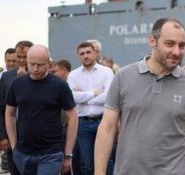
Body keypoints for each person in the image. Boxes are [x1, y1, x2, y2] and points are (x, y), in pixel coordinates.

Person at [94, 17, 185, 175]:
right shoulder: (123, 77)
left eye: (181, 46)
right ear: (152, 41)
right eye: (169, 44)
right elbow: (107, 128)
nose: (176, 52)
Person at [5, 45, 78, 175]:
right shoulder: (17, 84)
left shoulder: (60, 85)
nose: (35, 68)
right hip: (23, 152)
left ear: (49, 64)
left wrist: (68, 154)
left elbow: (72, 117)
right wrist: (14, 145)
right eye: (32, 64)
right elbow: (9, 113)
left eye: (40, 64)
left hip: (51, 153)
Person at [68, 42, 114, 175]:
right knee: (87, 164)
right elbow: (71, 98)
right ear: (78, 56)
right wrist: (93, 93)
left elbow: (109, 97)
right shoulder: (73, 75)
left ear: (95, 53)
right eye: (82, 53)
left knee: (108, 162)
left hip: (103, 122)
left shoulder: (106, 72)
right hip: (83, 123)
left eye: (88, 52)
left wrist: (83, 98)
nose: (85, 56)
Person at [0, 40, 33, 175]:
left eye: (24, 57)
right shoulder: (7, 76)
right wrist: (3, 136)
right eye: (18, 57)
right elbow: (1, 107)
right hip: (12, 133)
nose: (20, 60)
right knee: (15, 170)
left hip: (35, 133)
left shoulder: (42, 75)